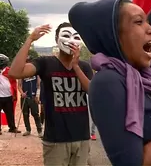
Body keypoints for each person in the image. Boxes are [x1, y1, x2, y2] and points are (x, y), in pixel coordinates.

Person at [69, 0, 151, 165]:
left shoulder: (136, 73)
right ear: (114, 36)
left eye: (147, 22)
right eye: (138, 22)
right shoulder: (107, 82)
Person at [8, 22, 93, 166]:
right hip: (55, 140)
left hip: (82, 138)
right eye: (66, 35)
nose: (71, 41)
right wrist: (30, 39)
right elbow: (15, 73)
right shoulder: (45, 62)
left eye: (76, 37)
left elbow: (92, 91)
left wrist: (76, 67)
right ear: (56, 39)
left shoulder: (84, 67)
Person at [18, 57, 43, 137]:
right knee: (25, 114)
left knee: (35, 114)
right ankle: (28, 130)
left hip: (33, 97)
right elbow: (19, 85)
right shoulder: (21, 73)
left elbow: (38, 85)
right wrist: (22, 93)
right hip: (25, 97)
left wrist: (37, 95)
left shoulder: (36, 73)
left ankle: (39, 131)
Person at [0, 54, 21, 135]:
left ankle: (12, 128)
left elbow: (14, 82)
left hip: (9, 96)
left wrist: (15, 95)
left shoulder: (9, 71)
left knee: (10, 113)